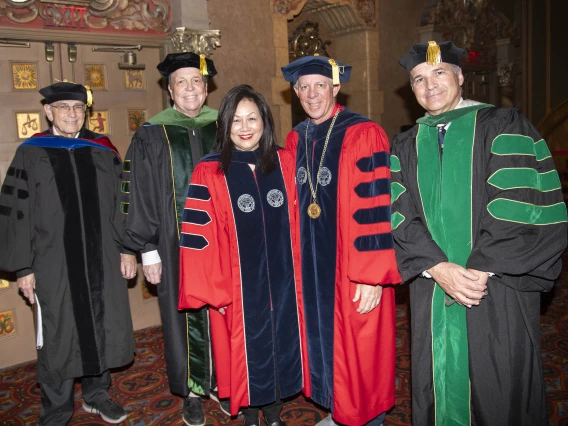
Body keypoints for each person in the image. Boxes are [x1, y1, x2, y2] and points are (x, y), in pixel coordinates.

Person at [391, 40, 568, 425]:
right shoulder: (405, 144)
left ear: (459, 76)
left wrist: (478, 270)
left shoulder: (503, 125)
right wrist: (437, 267)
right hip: (432, 286)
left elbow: (522, 200)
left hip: (494, 286)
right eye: (418, 78)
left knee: (499, 385)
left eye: (439, 73)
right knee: (436, 383)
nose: (429, 84)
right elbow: (397, 213)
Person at [0, 81, 135, 425]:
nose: (72, 114)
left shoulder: (102, 149)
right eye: (63, 107)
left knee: (102, 323)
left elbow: (123, 205)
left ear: (85, 112)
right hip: (52, 261)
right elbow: (17, 212)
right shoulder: (30, 153)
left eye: (77, 108)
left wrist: (128, 249)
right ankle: (57, 410)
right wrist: (23, 267)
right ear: (48, 112)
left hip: (103, 255)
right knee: (58, 334)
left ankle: (97, 394)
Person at [281, 56, 401, 426]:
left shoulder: (363, 132)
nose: (312, 93)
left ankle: (368, 419)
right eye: (304, 87)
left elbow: (376, 207)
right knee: (322, 342)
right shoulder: (296, 138)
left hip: (353, 267)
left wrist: (371, 275)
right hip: (312, 268)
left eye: (320, 85)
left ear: (336, 88)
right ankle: (340, 410)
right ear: (295, 92)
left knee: (361, 347)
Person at [178, 84, 308, 426]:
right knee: (243, 353)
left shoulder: (284, 162)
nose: (246, 127)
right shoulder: (209, 171)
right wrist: (216, 292)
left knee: (283, 344)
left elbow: (301, 223)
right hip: (236, 288)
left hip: (284, 283)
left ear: (265, 122)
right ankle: (251, 415)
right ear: (224, 125)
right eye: (236, 120)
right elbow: (199, 239)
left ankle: (276, 413)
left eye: (253, 118)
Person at [120, 52, 221, 425]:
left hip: (223, 244)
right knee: (181, 317)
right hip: (172, 246)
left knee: (226, 312)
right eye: (182, 81)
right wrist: (146, 250)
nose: (191, 88)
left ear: (207, 87)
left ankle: (225, 381)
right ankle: (192, 390)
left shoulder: (225, 126)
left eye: (197, 80)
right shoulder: (151, 133)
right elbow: (137, 192)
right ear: (169, 89)